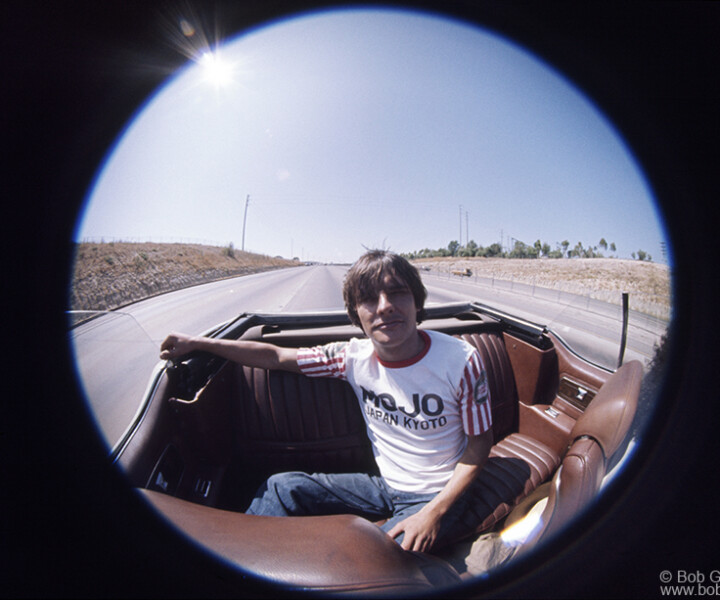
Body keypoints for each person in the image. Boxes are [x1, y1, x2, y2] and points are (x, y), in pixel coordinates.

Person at [160, 250, 493, 552]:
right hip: (385, 485)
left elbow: (479, 447)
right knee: (282, 487)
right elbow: (275, 356)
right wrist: (198, 343)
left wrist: (433, 513)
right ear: (355, 315)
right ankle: (236, 564)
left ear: (417, 302)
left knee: (374, 559)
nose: (384, 306)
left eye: (397, 292)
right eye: (368, 299)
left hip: (440, 494)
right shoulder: (352, 357)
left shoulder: (461, 361)